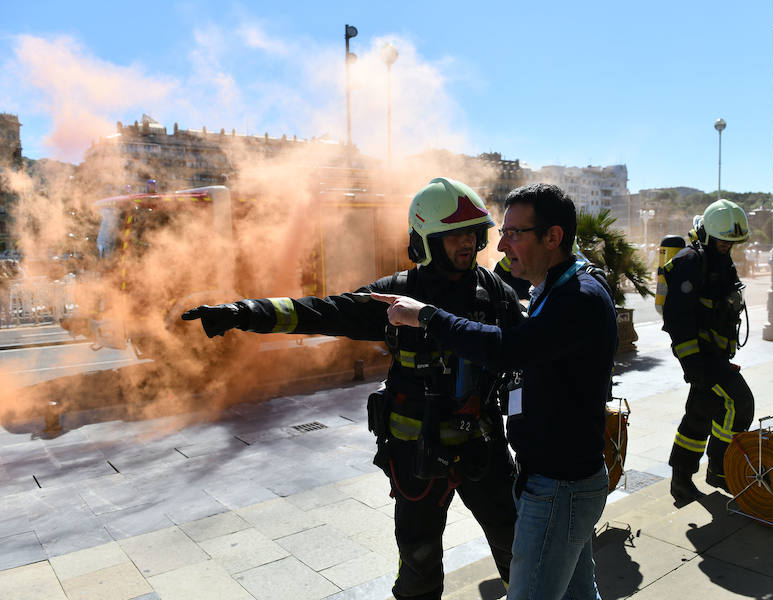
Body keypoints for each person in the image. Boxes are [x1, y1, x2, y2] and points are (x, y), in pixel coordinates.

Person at [182, 177, 524, 600]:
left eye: (473, 233)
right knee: (418, 567)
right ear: (427, 241)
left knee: (519, 549)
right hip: (417, 456)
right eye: (455, 234)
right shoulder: (396, 295)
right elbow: (324, 311)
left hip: (484, 449)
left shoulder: (495, 293)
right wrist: (245, 312)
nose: (468, 242)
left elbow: (530, 348)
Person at [372, 182, 618, 600]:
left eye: (514, 233)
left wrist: (427, 316)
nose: (500, 246)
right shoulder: (555, 290)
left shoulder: (578, 299)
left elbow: (506, 349)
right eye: (501, 233)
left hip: (559, 487)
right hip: (552, 479)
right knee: (577, 595)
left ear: (553, 237)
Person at [662, 199, 755, 503]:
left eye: (731, 243)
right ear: (707, 234)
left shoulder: (720, 259)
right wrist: (692, 363)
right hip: (701, 357)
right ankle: (719, 469)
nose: (727, 247)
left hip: (716, 353)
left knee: (700, 414)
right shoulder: (690, 261)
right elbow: (677, 318)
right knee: (740, 402)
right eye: (722, 241)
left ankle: (681, 481)